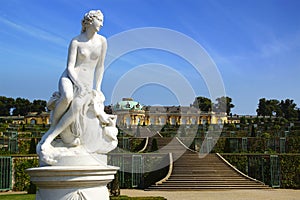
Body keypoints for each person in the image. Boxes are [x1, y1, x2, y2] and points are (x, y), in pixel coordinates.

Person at [37, 10, 114, 164]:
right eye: (100, 20)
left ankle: (51, 136)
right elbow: (70, 67)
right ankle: (54, 126)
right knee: (67, 97)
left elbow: (100, 67)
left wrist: (97, 88)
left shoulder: (102, 41)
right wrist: (77, 83)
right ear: (90, 21)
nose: (102, 24)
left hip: (86, 84)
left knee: (77, 106)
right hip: (70, 78)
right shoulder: (76, 41)